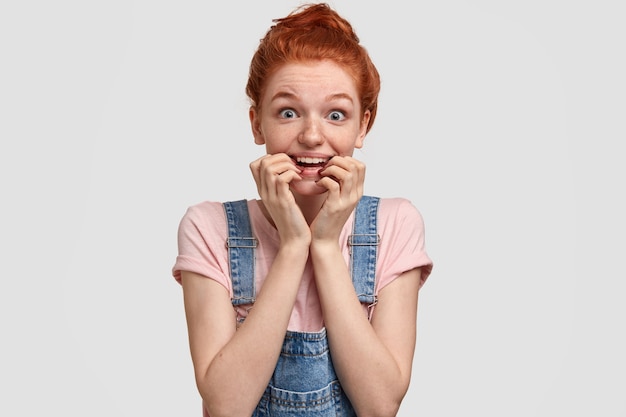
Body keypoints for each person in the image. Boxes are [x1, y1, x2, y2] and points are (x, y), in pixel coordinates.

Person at [172, 3, 433, 416]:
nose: (312, 136)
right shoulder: (209, 227)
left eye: (336, 114)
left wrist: (326, 246)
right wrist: (294, 244)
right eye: (288, 112)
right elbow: (225, 406)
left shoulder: (394, 224)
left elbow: (380, 405)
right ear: (258, 124)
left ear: (363, 125)